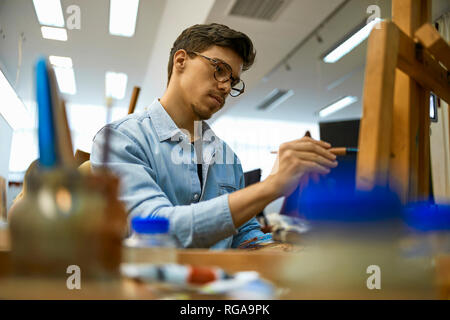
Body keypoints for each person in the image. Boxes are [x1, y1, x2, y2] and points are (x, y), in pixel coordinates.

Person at [91, 23, 338, 249]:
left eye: (233, 81)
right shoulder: (120, 140)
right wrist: (271, 186)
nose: (226, 87)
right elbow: (156, 228)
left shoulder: (228, 157)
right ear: (180, 61)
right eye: (220, 69)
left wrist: (292, 249)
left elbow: (245, 236)